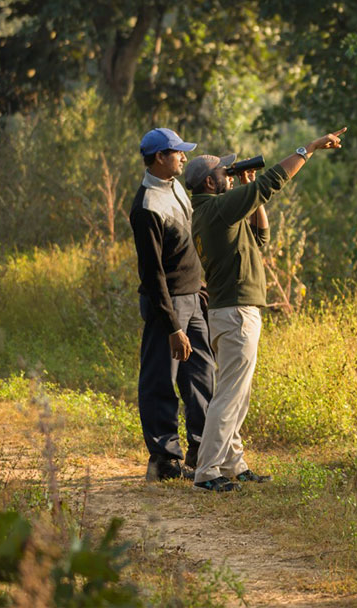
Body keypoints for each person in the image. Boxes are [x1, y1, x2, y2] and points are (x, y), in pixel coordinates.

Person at [185, 127, 347, 492]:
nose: (229, 177)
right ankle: (207, 472)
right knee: (229, 394)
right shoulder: (216, 210)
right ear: (210, 182)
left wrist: (248, 189)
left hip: (230, 312)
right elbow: (271, 183)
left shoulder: (212, 212)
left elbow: (260, 239)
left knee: (235, 392)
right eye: (224, 174)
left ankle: (232, 462)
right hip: (236, 312)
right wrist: (309, 149)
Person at [128, 128, 216, 482]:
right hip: (168, 304)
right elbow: (152, 275)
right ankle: (163, 460)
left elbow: (184, 247)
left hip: (192, 296)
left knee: (202, 374)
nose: (184, 157)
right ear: (160, 157)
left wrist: (199, 284)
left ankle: (200, 448)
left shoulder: (176, 187)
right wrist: (173, 327)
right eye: (177, 152)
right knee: (161, 379)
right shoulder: (147, 206)